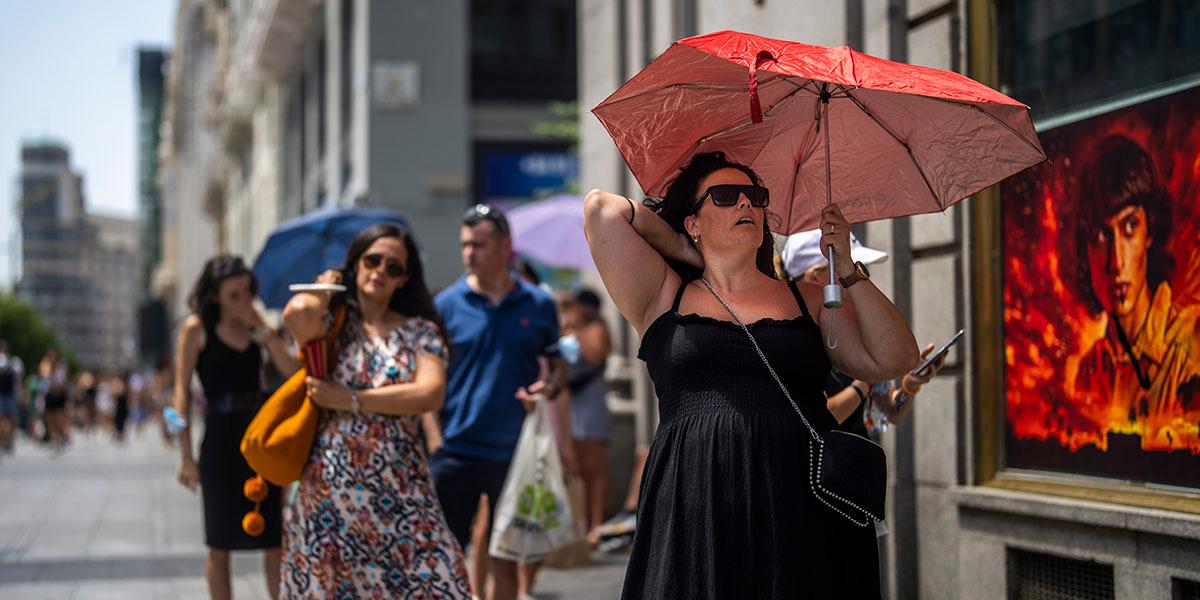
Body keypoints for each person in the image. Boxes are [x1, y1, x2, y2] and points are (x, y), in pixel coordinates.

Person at [583, 151, 919, 598]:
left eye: (755, 196)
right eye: (725, 197)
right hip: (695, 496)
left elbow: (894, 359)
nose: (746, 205)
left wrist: (849, 268)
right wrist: (685, 251)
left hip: (800, 500)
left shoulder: (809, 298)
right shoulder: (665, 295)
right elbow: (601, 209)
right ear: (693, 221)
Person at [281, 223, 471, 598]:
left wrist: (349, 399)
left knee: (440, 582)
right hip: (331, 490)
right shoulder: (333, 324)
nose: (381, 271)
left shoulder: (420, 330)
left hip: (401, 487)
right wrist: (329, 283)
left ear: (404, 279)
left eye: (393, 267)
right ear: (357, 264)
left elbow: (429, 393)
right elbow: (295, 314)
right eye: (372, 260)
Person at [429, 204, 571, 600]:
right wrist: (434, 440)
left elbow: (558, 369)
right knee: (445, 559)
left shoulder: (538, 304)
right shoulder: (445, 305)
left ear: (506, 246)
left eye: (479, 244)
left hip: (513, 451)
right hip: (454, 450)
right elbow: (430, 378)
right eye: (464, 245)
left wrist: (548, 388)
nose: (468, 253)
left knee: (505, 559)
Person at [173, 255, 300, 600]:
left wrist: (266, 334)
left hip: (258, 439)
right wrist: (183, 453)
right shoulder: (196, 328)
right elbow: (180, 394)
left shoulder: (258, 325)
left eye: (247, 292)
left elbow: (292, 371)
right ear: (214, 295)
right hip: (218, 439)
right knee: (219, 542)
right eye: (234, 295)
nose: (244, 301)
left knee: (274, 538)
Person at [1070, 135, 1199, 449]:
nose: (1116, 260)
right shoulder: (1090, 370)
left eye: (1129, 227)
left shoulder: (1190, 346)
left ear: (1150, 231)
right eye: (1101, 235)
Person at [783, 229, 947, 433]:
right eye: (845, 269)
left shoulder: (850, 328)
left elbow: (886, 412)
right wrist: (866, 380)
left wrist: (910, 385)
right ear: (815, 275)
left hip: (856, 462)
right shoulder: (790, 338)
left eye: (858, 270)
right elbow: (819, 417)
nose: (855, 282)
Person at [559, 287, 614, 544]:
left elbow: (594, 357)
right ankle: (578, 525)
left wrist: (576, 331)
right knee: (575, 467)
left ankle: (597, 523)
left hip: (590, 402)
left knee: (594, 467)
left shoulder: (595, 328)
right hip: (570, 403)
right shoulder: (565, 327)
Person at [39, 348, 70, 450]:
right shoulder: (45, 367)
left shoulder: (61, 369)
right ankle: (53, 440)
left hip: (58, 397)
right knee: (49, 419)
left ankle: (60, 436)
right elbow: (44, 382)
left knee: (58, 419)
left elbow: (62, 385)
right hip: (49, 396)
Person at [0, 340, 24, 454]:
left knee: (4, 418)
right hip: (11, 394)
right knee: (10, 417)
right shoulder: (14, 361)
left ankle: (5, 439)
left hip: (4, 394)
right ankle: (8, 439)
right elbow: (18, 378)